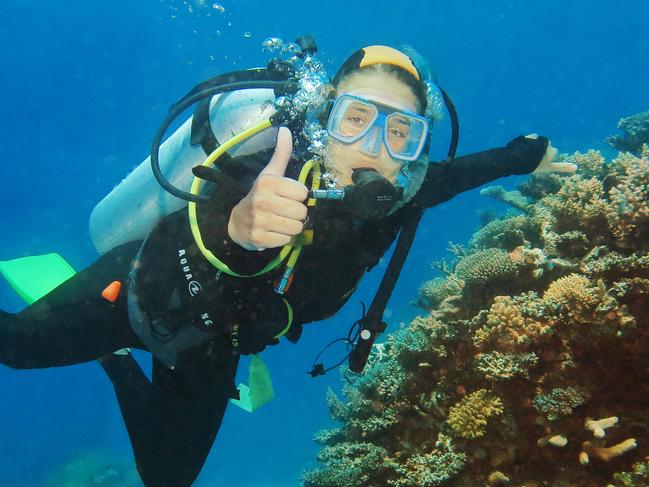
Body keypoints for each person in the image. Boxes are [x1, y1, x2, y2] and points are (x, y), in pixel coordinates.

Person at [0, 42, 576, 487]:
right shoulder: (265, 161)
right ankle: (113, 341)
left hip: (212, 346)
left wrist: (527, 155)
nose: (375, 147)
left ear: (416, 151)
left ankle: (116, 361)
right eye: (355, 118)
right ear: (324, 114)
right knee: (17, 347)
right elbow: (214, 216)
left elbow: (472, 170)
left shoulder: (406, 191)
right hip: (136, 292)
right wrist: (239, 228)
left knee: (166, 477)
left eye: (401, 131)